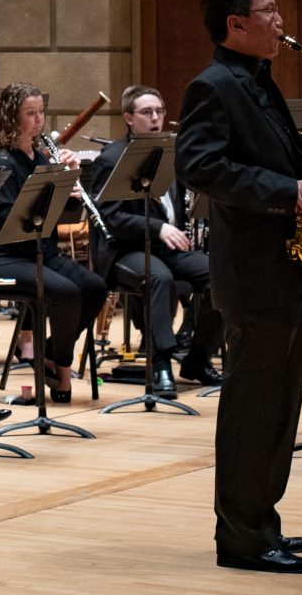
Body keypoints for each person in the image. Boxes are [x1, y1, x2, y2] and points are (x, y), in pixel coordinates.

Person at [178, 0, 302, 574]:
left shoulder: (260, 79)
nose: (280, 21)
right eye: (268, 11)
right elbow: (199, 166)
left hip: (287, 265)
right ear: (236, 24)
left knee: (281, 406)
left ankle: (263, 522)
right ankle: (240, 538)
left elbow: (264, 156)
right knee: (252, 410)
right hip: (253, 270)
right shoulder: (212, 86)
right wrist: (284, 189)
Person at [0, 83, 107, 403]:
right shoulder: (3, 162)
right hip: (3, 256)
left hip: (40, 252)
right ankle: (61, 368)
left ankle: (50, 353)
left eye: (41, 112)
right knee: (66, 292)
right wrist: (50, 190)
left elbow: (64, 216)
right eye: (30, 113)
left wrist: (69, 181)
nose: (39, 120)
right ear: (13, 117)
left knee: (94, 287)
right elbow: (8, 220)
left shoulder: (40, 159)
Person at [89, 84, 221, 395]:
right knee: (159, 277)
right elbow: (110, 217)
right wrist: (157, 228)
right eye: (147, 112)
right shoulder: (112, 158)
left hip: (167, 248)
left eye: (159, 111)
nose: (155, 118)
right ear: (128, 118)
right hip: (124, 250)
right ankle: (160, 364)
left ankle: (198, 358)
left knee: (220, 275)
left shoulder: (170, 151)